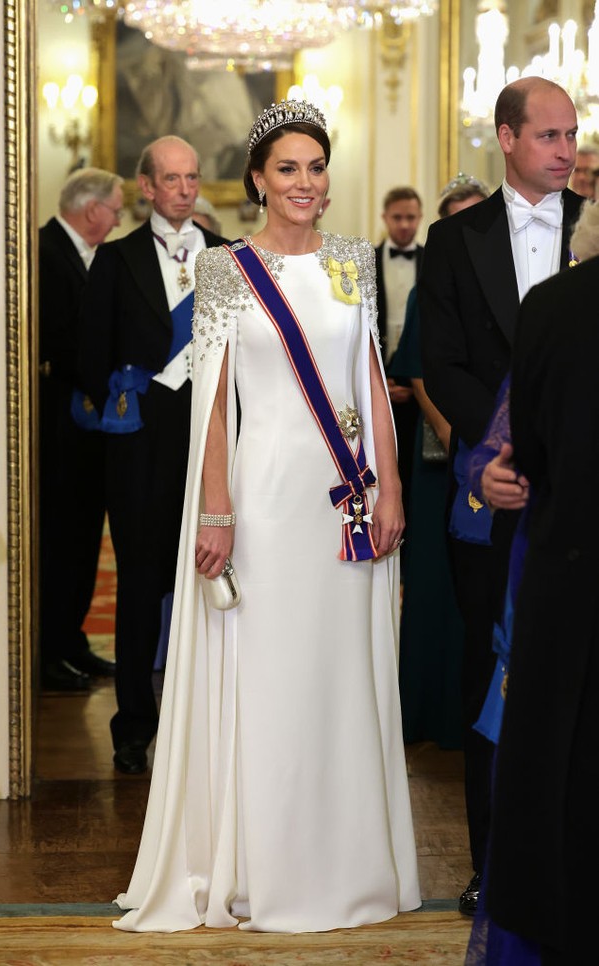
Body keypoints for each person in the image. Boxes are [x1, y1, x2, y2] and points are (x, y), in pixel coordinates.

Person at [113, 99, 420, 933]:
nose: (306, 183)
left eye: (316, 167)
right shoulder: (224, 271)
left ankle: (347, 859)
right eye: (288, 168)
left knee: (339, 674)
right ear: (256, 179)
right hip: (264, 501)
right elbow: (213, 407)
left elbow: (372, 386)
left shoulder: (355, 260)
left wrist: (391, 488)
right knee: (271, 675)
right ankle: (262, 863)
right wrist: (216, 512)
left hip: (345, 504)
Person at [418, 76, 583, 916]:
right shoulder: (455, 242)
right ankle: (494, 867)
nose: (567, 151)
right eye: (551, 136)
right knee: (492, 680)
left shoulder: (594, 231)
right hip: (491, 490)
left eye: (572, 135)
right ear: (507, 137)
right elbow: (436, 359)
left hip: (582, 500)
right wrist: (486, 452)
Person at [80, 136, 226, 775]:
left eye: (192, 178)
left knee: (216, 572)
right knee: (140, 584)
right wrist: (124, 388)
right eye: (172, 179)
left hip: (214, 432)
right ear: (146, 187)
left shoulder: (227, 258)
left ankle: (212, 718)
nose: (185, 189)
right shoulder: (115, 261)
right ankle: (134, 725)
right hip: (141, 440)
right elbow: (91, 351)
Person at [389, 174, 489, 750]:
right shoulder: (427, 287)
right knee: (433, 585)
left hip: (501, 454)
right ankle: (428, 713)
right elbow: (418, 372)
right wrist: (457, 439)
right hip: (442, 458)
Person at [39, 167, 124, 692]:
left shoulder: (83, 255)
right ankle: (50, 650)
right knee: (60, 542)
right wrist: (112, 376)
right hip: (59, 430)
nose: (117, 219)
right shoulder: (45, 252)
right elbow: (63, 340)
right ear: (91, 210)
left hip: (86, 429)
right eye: (115, 209)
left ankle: (72, 642)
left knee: (85, 537)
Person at [374, 186, 423, 536]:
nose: (404, 225)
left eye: (411, 217)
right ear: (385, 218)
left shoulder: (435, 261)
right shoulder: (364, 261)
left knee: (414, 470)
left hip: (422, 385)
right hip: (376, 377)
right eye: (397, 217)